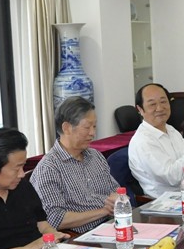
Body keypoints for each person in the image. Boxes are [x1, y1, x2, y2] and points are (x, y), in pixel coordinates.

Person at [31, 97, 120, 234]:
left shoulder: (95, 156)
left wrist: (118, 198)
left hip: (113, 226)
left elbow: (115, 190)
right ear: (66, 128)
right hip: (83, 236)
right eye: (87, 127)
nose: (92, 133)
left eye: (94, 126)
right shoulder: (49, 168)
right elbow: (55, 219)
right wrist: (104, 211)